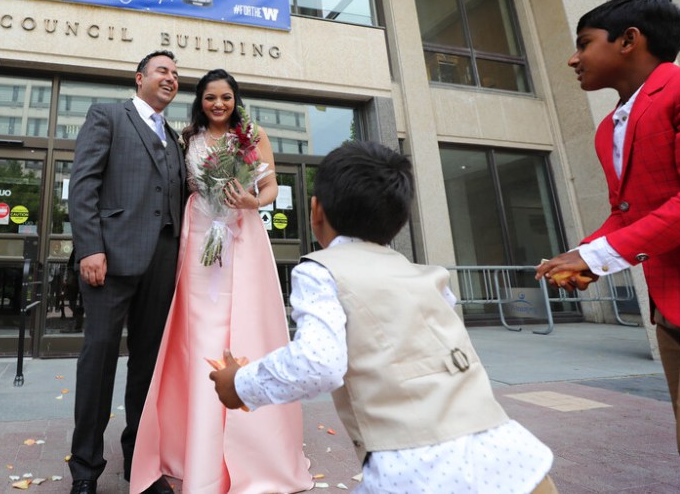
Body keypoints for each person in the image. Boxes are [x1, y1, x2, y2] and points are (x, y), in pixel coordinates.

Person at [210, 141, 557, 493]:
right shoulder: (429, 276)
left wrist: (240, 383)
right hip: (515, 460)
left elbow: (319, 364)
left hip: (417, 472)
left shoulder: (321, 272)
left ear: (316, 211)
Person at [131, 69, 312, 494]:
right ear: (200, 101)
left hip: (241, 233)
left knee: (243, 327)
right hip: (198, 236)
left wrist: (252, 201)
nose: (218, 104)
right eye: (211, 97)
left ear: (235, 99)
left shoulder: (251, 135)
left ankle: (252, 445)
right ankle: (192, 441)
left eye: (226, 97)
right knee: (197, 333)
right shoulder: (186, 136)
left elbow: (269, 186)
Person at [535, 0, 680, 465]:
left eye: (584, 43)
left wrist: (599, 256)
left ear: (629, 40)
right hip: (669, 307)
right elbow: (629, 213)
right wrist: (581, 259)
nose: (573, 58)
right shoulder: (608, 129)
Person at [67, 50, 186, 494]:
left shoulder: (174, 137)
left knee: (147, 369)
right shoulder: (108, 116)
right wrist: (90, 247)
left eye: (175, 74)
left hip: (162, 265)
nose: (171, 78)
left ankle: (140, 463)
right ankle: (85, 470)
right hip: (110, 261)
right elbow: (84, 185)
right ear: (140, 78)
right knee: (98, 362)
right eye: (162, 71)